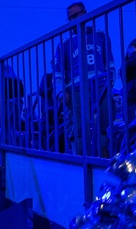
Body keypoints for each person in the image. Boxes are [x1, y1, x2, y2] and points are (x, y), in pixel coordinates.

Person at [53, 2, 115, 156]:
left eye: (77, 15)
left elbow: (110, 64)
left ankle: (102, 161)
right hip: (75, 91)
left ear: (85, 13)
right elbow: (58, 74)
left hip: (100, 87)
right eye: (70, 17)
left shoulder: (100, 36)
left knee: (104, 125)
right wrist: (61, 93)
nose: (74, 19)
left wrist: (109, 84)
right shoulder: (64, 44)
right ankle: (81, 163)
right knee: (78, 129)